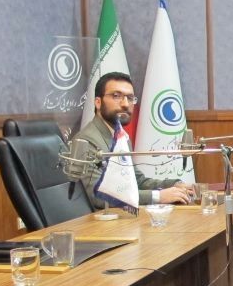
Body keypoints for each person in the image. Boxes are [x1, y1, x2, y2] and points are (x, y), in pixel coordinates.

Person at [74, 71, 193, 208]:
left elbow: (137, 180)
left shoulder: (121, 137)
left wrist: (174, 185)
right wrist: (158, 196)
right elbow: (98, 196)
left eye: (130, 98)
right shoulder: (86, 141)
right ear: (98, 102)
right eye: (116, 96)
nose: (125, 104)